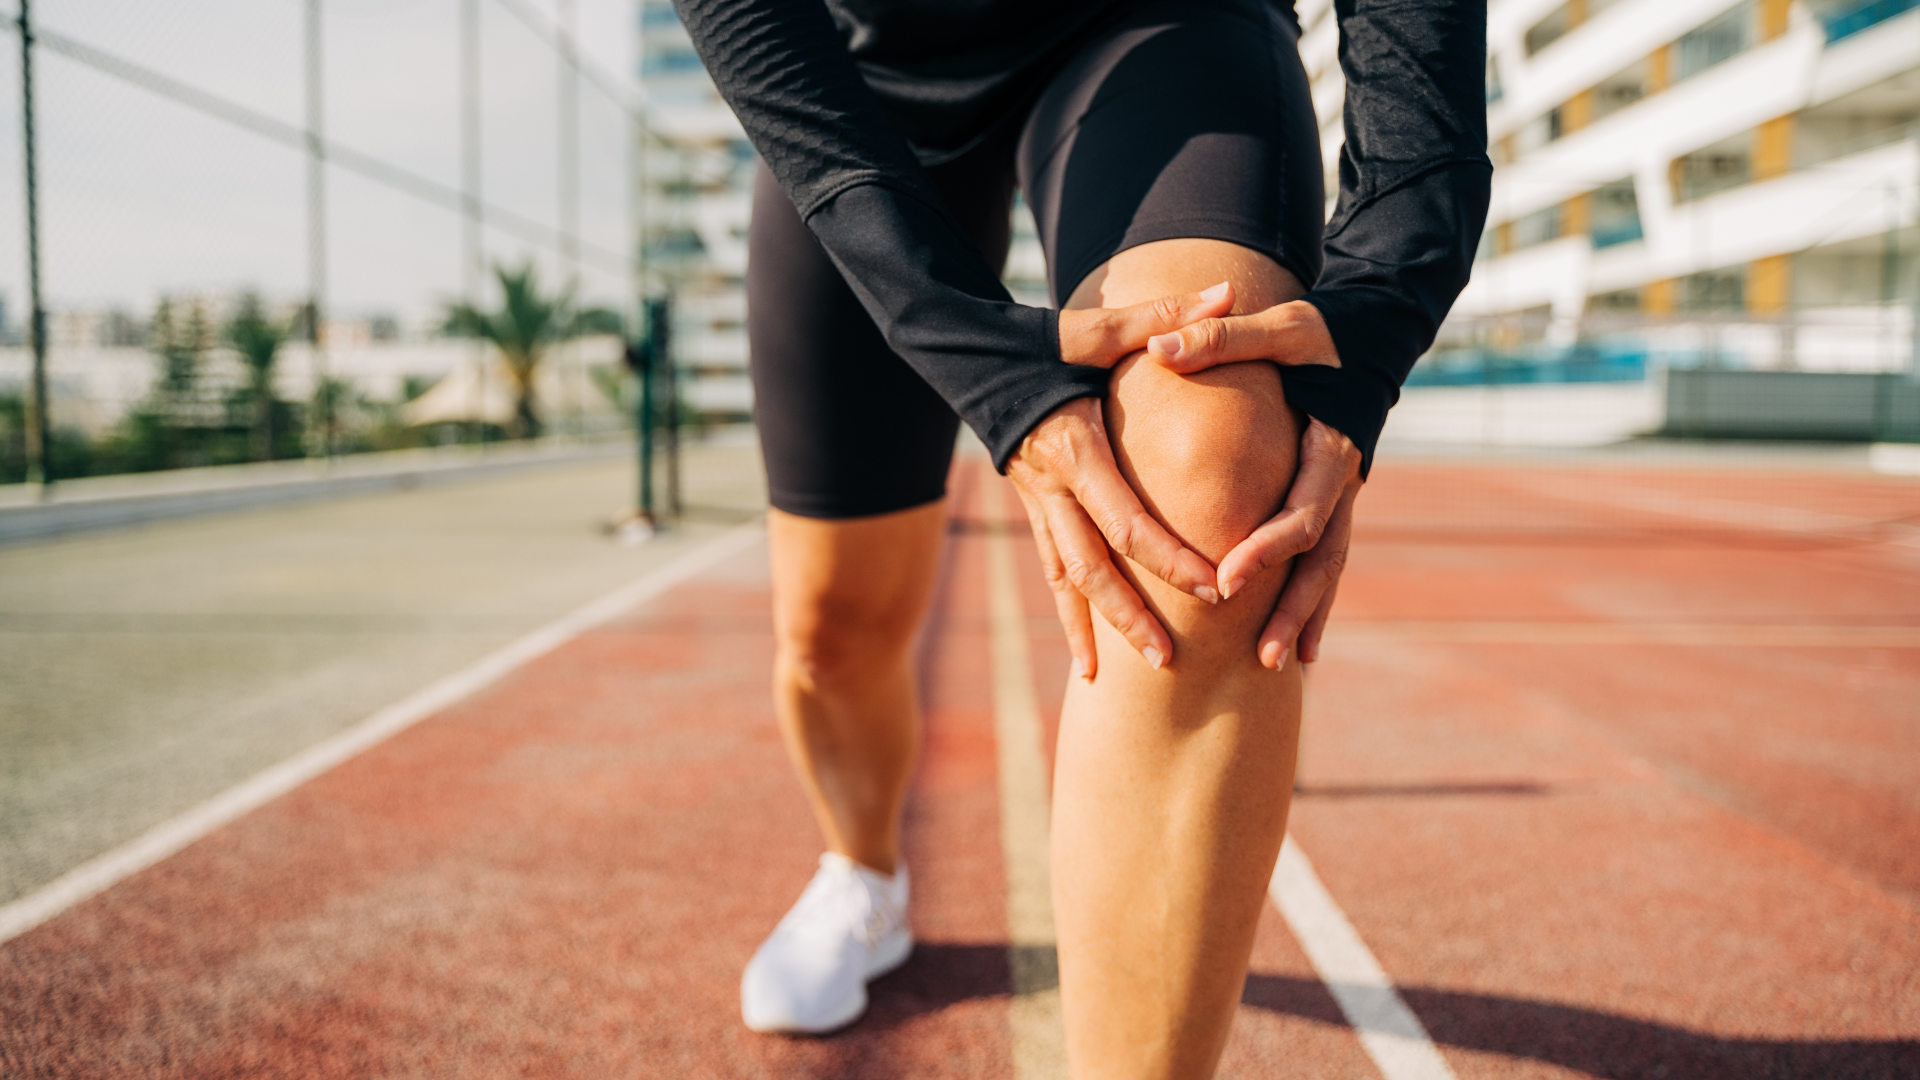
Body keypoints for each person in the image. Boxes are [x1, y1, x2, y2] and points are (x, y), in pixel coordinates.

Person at [674, 0, 1489, 1073]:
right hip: (866, 77)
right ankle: (864, 876)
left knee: (1211, 472)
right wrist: (984, 365)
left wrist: (1389, 275)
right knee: (830, 632)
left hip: (1158, 26)